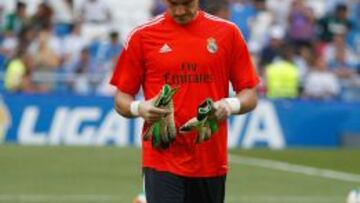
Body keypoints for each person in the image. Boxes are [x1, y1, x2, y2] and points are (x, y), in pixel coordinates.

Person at [110, 0, 258, 202]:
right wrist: (139, 107)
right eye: (173, 4)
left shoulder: (228, 33)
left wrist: (229, 105)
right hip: (162, 157)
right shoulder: (142, 36)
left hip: (210, 159)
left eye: (186, 4)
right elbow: (121, 98)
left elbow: (249, 94)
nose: (179, 11)